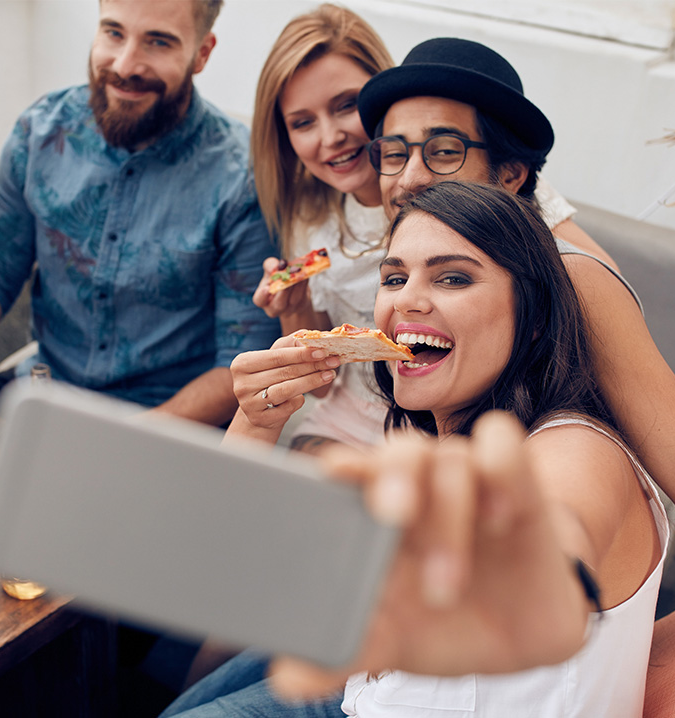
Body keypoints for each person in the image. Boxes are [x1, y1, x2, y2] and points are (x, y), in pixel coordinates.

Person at [167, 181, 670, 717]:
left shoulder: (578, 445)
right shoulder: (424, 440)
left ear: (536, 315)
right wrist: (255, 422)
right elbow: (210, 553)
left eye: (453, 277)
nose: (406, 299)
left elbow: (557, 536)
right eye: (394, 278)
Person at [0, 0, 279, 428]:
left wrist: (121, 443)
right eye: (113, 33)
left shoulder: (243, 175)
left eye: (158, 42)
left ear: (202, 53)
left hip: (167, 421)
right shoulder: (40, 131)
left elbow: (241, 363)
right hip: (44, 392)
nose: (125, 64)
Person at [247, 9, 587, 455]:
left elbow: (588, 275)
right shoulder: (313, 222)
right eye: (303, 122)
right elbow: (325, 385)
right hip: (356, 418)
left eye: (347, 105)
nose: (331, 136)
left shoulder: (491, 185)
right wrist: (296, 309)